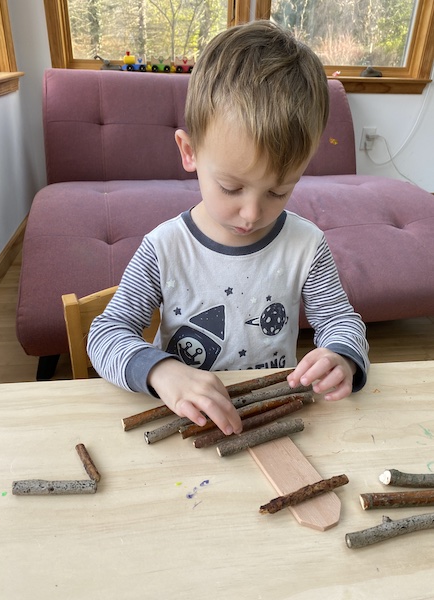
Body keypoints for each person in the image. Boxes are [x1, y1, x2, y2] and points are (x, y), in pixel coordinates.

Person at [87, 20, 369, 437]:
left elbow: (341, 321)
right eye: (231, 187)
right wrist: (162, 372)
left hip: (271, 418)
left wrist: (342, 356)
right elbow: (106, 334)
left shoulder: (307, 246)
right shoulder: (164, 248)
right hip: (186, 427)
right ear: (190, 152)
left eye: (278, 191)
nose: (252, 213)